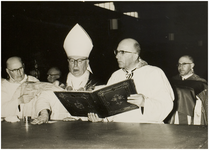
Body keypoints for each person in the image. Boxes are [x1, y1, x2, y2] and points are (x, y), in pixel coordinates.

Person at [88, 38, 174, 123]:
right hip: (116, 129)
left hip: (145, 130)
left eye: (122, 52)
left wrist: (144, 102)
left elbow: (166, 106)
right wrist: (102, 118)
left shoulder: (154, 73)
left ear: (135, 55)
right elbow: (110, 107)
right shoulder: (116, 75)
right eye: (117, 52)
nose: (117, 56)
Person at [31, 23, 102, 125]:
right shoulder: (58, 84)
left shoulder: (97, 84)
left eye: (80, 60)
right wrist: (44, 114)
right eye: (72, 60)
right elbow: (43, 98)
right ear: (68, 62)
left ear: (87, 62)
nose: (75, 64)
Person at [168, 55, 207, 125]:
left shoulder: (200, 83)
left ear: (192, 66)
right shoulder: (172, 80)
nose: (180, 67)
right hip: (172, 117)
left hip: (191, 119)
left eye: (184, 64)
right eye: (179, 64)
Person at [1, 56, 39, 121]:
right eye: (14, 70)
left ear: (23, 66)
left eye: (20, 68)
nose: (19, 73)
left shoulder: (34, 81)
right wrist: (19, 101)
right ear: (7, 71)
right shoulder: (3, 86)